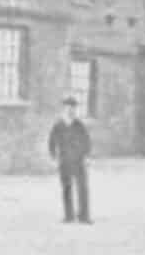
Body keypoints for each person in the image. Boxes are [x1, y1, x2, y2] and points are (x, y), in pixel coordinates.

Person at [48, 96, 92, 224]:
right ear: (64, 109)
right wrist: (53, 157)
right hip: (64, 161)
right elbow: (51, 142)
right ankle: (69, 216)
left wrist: (86, 156)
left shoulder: (79, 125)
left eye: (73, 108)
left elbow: (87, 141)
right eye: (68, 108)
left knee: (82, 187)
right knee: (67, 188)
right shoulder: (58, 125)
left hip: (78, 160)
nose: (71, 110)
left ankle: (84, 216)